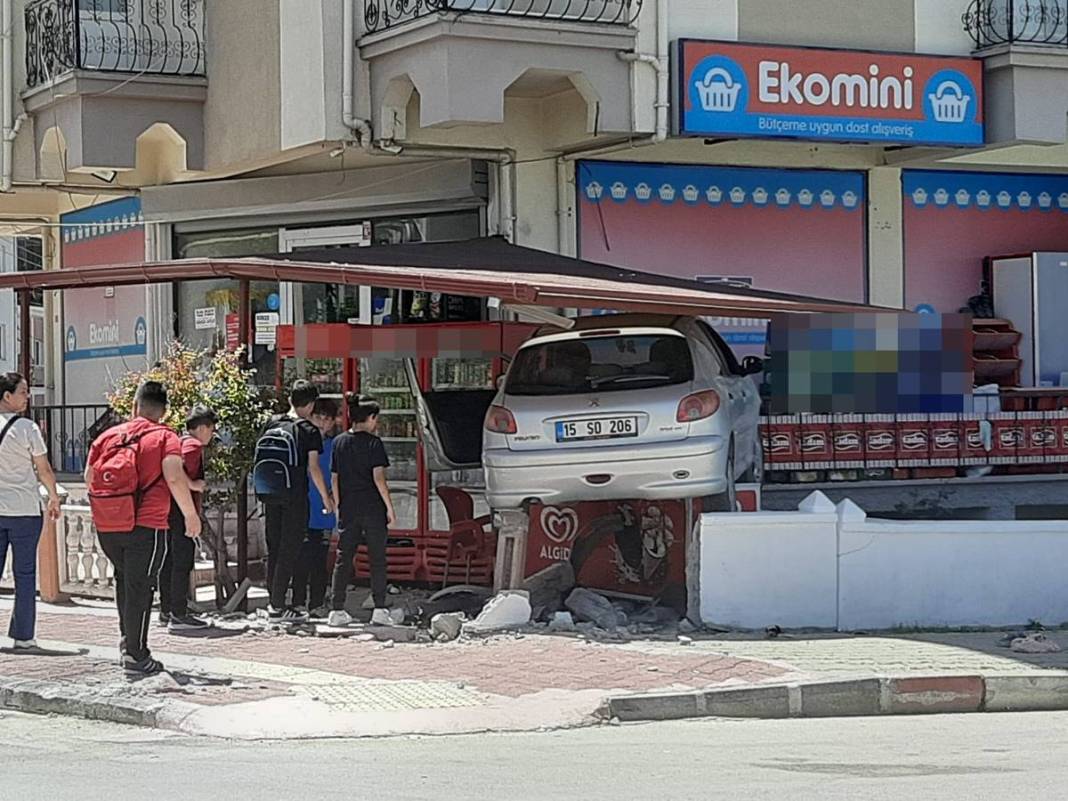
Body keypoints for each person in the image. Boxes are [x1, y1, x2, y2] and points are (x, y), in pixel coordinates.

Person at [85, 381, 201, 677]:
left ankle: (128, 643)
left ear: (135, 406)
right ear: (164, 411)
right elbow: (174, 476)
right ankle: (137, 655)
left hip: (108, 524)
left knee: (124, 580)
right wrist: (190, 515)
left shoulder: (108, 436)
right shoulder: (165, 437)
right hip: (147, 524)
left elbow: (89, 476)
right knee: (140, 586)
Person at [258, 380, 334, 624]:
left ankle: (273, 600)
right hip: (295, 497)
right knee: (289, 549)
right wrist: (326, 497)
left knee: (274, 548)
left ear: (290, 399)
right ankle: (277, 606)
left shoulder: (272, 422)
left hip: (270, 494)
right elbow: (313, 468)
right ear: (311, 405)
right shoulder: (308, 431)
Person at [0, 373, 61, 651]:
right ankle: (23, 635)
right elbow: (43, 468)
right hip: (24, 509)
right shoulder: (27, 428)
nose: (27, 396)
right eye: (23, 392)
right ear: (7, 396)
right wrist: (53, 496)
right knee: (24, 575)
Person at [328, 395, 395, 628]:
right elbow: (379, 479)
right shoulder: (374, 444)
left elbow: (334, 479)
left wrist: (338, 507)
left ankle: (337, 609)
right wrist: (390, 507)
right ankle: (379, 608)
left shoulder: (339, 442)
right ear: (371, 418)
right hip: (373, 507)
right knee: (377, 558)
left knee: (343, 558)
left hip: (348, 507)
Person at [158, 404, 217, 632]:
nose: (212, 434)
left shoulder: (176, 441)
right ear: (201, 428)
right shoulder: (192, 446)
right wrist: (193, 485)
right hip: (181, 510)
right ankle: (179, 613)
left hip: (167, 508)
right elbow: (175, 471)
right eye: (211, 429)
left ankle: (167, 609)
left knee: (169, 561)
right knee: (182, 562)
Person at [291, 397, 340, 618]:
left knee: (320, 558)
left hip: (325, 507)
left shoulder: (335, 445)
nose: (322, 422)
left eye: (327, 419)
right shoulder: (299, 442)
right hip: (302, 505)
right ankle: (298, 601)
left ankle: (317, 603)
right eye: (318, 417)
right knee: (301, 556)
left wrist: (334, 498)